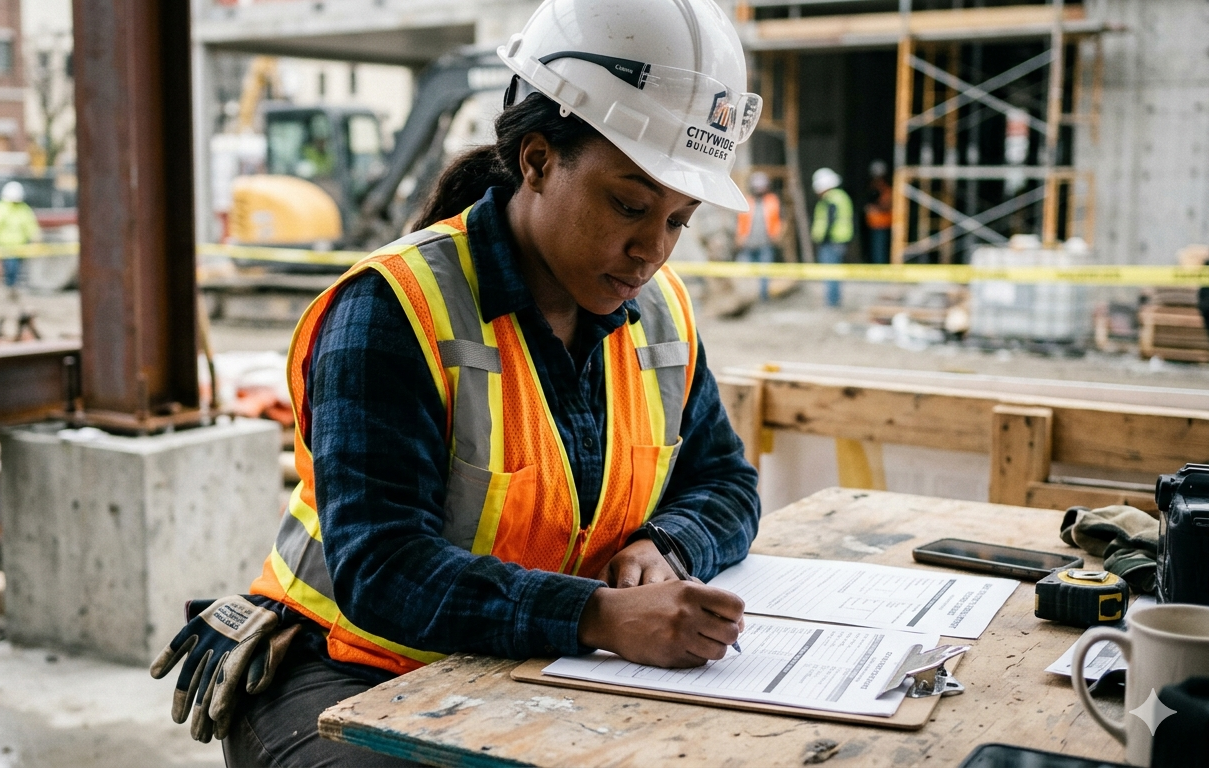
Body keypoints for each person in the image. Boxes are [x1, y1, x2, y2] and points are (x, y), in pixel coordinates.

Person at [150, 0, 764, 765]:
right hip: (350, 667)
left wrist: (665, 544)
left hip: (533, 658)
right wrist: (599, 617)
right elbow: (385, 568)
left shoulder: (659, 314)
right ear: (538, 160)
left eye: (679, 219)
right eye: (631, 205)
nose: (651, 251)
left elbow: (728, 484)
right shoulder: (392, 310)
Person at [0, 181, 40, 297]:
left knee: (15, 268)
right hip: (4, 245)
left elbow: (30, 225)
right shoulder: (0, 208)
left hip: (19, 246)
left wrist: (35, 237)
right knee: (10, 267)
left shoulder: (23, 209)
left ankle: (11, 287)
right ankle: (10, 287)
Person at [734, 171, 782, 299]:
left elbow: (777, 219)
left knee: (764, 273)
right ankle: (745, 297)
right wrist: (739, 237)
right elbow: (741, 221)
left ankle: (763, 298)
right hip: (748, 243)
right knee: (744, 272)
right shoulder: (747, 201)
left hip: (766, 243)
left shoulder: (772, 200)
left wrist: (776, 234)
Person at [810, 167, 853, 308]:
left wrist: (822, 238)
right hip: (839, 240)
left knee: (830, 273)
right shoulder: (841, 196)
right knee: (834, 272)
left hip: (831, 241)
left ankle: (831, 302)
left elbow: (829, 221)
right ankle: (834, 301)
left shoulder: (831, 199)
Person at [865, 160, 892, 264]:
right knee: (875, 250)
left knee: (879, 251)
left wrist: (875, 208)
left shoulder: (885, 189)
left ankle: (881, 273)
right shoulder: (873, 187)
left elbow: (888, 205)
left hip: (882, 224)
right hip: (873, 224)